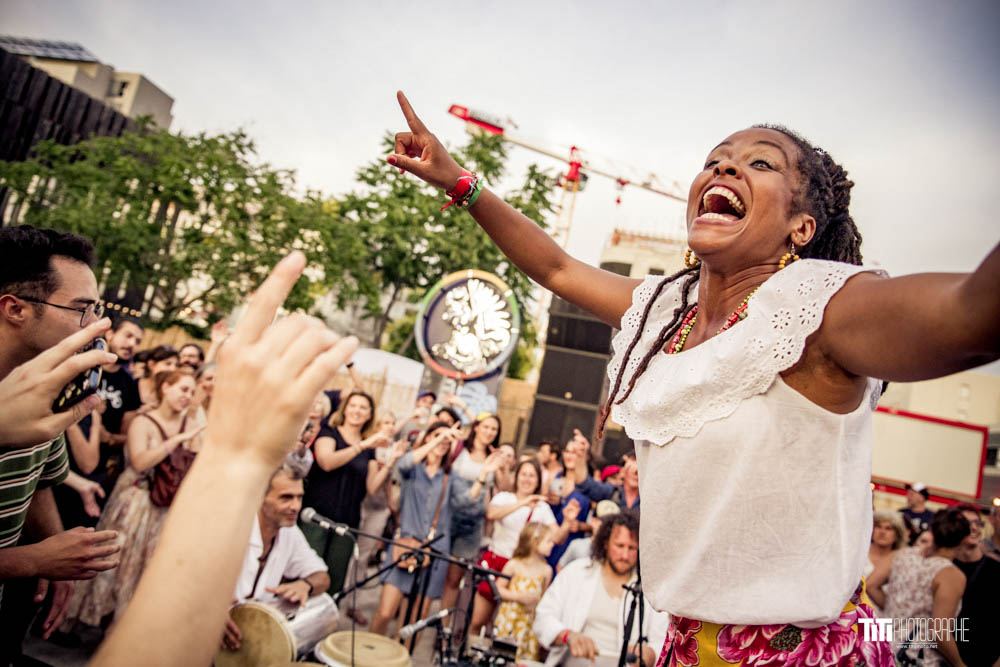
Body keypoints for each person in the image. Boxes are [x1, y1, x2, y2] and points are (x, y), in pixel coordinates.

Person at [388, 91, 1000, 664]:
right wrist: (460, 183)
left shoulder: (818, 308)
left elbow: (970, 318)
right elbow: (556, 268)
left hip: (803, 652)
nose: (724, 170)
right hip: (684, 642)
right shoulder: (663, 312)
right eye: (715, 161)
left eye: (760, 163)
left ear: (802, 227)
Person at [89, 251, 361, 667]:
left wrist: (240, 456)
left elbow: (321, 575)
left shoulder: (289, 537)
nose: (294, 506)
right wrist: (239, 457)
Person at [0, 225, 122, 661]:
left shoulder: (51, 392)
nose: (96, 325)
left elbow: (40, 482)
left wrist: (58, 562)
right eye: (81, 309)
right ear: (15, 309)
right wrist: (33, 561)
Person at [64, 370, 204, 629]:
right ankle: (77, 622)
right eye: (183, 389)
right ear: (165, 388)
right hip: (134, 502)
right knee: (113, 563)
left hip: (165, 507)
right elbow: (139, 462)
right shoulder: (143, 421)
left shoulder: (192, 427)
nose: (187, 396)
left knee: (144, 570)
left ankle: (120, 630)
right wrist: (175, 441)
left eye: (191, 392)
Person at [533, 511, 666, 667]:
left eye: (632, 548)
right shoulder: (576, 572)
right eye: (619, 545)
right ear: (605, 543)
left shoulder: (648, 590)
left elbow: (662, 639)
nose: (625, 555)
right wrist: (567, 635)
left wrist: (650, 653)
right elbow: (543, 617)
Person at [220, 464, 330, 651]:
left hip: (248, 641)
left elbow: (323, 577)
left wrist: (305, 585)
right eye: (286, 498)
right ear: (259, 497)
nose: (295, 506)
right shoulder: (228, 529)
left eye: (299, 497)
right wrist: (211, 614)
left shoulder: (290, 533)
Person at [370, 421, 462, 637]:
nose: (443, 441)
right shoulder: (413, 469)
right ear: (428, 437)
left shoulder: (451, 476)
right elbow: (403, 464)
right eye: (437, 435)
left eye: (448, 440)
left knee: (414, 622)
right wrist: (440, 437)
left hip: (434, 552)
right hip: (404, 545)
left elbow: (467, 503)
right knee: (385, 613)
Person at [469, 458, 578, 637]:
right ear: (517, 477)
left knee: (506, 627)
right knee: (478, 620)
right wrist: (524, 502)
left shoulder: (542, 507)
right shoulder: (504, 497)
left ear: (538, 481)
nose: (527, 479)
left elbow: (557, 538)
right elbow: (491, 513)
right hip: (497, 561)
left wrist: (567, 521)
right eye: (524, 474)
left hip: (521, 570)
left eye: (532, 476)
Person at [301, 389, 389, 594]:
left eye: (363, 407)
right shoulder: (329, 432)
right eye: (353, 405)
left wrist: (391, 460)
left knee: (334, 581)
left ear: (370, 414)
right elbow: (326, 462)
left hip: (347, 521)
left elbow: (372, 487)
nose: (357, 411)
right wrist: (363, 445)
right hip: (317, 516)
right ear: (345, 409)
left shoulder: (371, 447)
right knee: (307, 574)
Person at [868, 508, 969, 667]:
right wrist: (959, 664)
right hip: (916, 656)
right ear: (963, 540)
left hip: (883, 648)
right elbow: (939, 632)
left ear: (932, 531)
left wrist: (894, 610)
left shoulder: (902, 555)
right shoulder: (950, 574)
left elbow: (871, 585)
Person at [441, 414, 503, 613]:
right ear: (476, 427)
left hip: (473, 524)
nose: (489, 432)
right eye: (486, 427)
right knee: (434, 573)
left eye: (494, 429)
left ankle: (444, 628)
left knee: (454, 579)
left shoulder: (493, 457)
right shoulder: (459, 449)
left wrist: (500, 466)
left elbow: (504, 486)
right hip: (449, 515)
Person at [493, 522, 555, 662]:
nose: (553, 544)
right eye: (548, 541)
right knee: (504, 657)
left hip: (529, 623)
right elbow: (498, 588)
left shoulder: (547, 570)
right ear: (534, 542)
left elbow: (544, 599)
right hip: (510, 620)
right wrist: (519, 597)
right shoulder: (514, 564)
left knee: (525, 659)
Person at [951, 503, 1000, 667]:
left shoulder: (995, 570)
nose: (973, 528)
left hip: (985, 660)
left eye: (978, 523)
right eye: (966, 523)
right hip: (943, 657)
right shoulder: (943, 567)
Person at [557, 500, 621, 572]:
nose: (608, 528)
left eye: (612, 525)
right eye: (604, 523)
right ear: (593, 521)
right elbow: (560, 567)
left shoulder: (615, 552)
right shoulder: (577, 545)